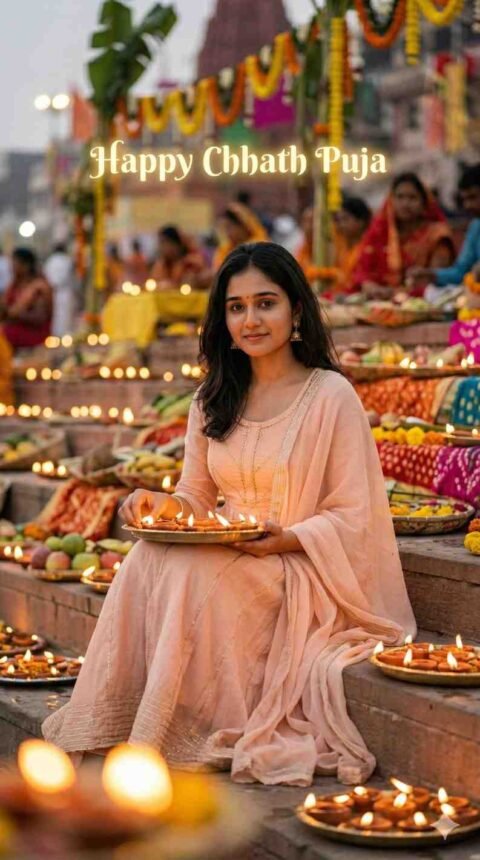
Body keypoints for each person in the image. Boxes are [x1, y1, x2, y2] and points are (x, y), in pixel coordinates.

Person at [43, 242, 415, 786]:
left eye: (265, 303)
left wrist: (287, 537)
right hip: (228, 546)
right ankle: (124, 715)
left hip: (299, 566)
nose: (250, 319)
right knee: (148, 553)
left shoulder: (331, 396)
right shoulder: (213, 396)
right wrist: (156, 504)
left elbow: (356, 513)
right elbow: (195, 495)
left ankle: (180, 727)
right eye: (236, 307)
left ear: (295, 312)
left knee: (191, 570)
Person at [352, 173, 455, 298]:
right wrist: (369, 286)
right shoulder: (381, 233)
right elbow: (363, 271)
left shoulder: (437, 235)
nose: (405, 203)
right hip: (380, 302)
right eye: (400, 197)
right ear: (391, 201)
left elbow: (434, 280)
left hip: (423, 303)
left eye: (412, 198)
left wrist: (392, 293)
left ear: (424, 203)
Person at [407, 163, 480, 287]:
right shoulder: (476, 227)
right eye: (465, 199)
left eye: (473, 197)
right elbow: (461, 271)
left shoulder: (437, 233)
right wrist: (431, 275)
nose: (468, 205)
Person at [1, 247, 52, 350]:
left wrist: (12, 314)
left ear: (26, 265)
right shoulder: (14, 285)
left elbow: (39, 318)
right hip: (11, 332)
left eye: (15, 263)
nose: (12, 267)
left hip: (32, 336)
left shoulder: (39, 287)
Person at [150, 226, 211, 290]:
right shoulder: (161, 265)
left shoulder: (192, 262)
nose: (161, 247)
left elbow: (206, 279)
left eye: (164, 243)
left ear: (176, 244)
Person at [333, 197, 372, 293]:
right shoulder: (342, 247)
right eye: (339, 220)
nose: (341, 225)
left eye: (345, 219)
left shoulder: (369, 248)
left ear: (361, 221)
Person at [213, 202, 268, 269]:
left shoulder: (260, 248)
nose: (227, 232)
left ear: (243, 226)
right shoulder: (225, 250)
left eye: (229, 227)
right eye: (224, 228)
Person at [44, 243, 76, 337]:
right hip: (65, 291)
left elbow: (47, 275)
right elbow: (72, 276)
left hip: (53, 291)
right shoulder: (67, 260)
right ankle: (64, 336)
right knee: (65, 315)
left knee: (57, 314)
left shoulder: (50, 261)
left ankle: (56, 336)